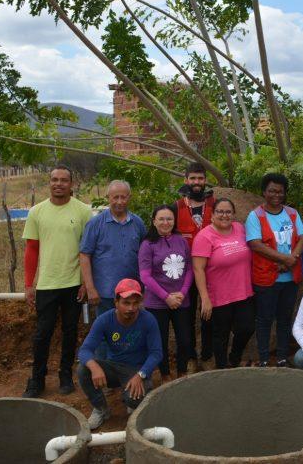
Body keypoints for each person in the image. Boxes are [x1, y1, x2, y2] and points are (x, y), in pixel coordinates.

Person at [22, 165, 92, 398]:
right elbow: (32, 250)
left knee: (71, 332)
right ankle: (37, 380)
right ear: (49, 182)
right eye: (54, 179)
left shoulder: (83, 211)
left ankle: (65, 376)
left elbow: (89, 250)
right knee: (43, 333)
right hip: (47, 284)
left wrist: (85, 282)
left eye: (64, 180)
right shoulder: (37, 212)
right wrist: (28, 284)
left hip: (74, 283)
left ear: (71, 184)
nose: (59, 184)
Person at [77, 279, 162, 429]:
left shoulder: (148, 320)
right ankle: (101, 409)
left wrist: (141, 374)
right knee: (84, 369)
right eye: (126, 303)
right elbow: (84, 350)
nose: (131, 308)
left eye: (135, 303)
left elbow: (156, 353)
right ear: (116, 302)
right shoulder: (104, 320)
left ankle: (131, 402)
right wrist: (95, 367)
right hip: (113, 367)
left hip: (136, 370)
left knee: (134, 400)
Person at [79, 180, 146, 359]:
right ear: (108, 198)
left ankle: (128, 370)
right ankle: (104, 373)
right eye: (115, 197)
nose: (119, 201)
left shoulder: (138, 223)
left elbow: (145, 255)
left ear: (129, 198)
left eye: (123, 197)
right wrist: (90, 287)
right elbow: (85, 255)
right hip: (105, 293)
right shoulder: (96, 224)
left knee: (131, 334)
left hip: (132, 293)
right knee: (104, 334)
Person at [246, 173, 303, 367]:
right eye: (272, 190)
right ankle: (263, 358)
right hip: (266, 279)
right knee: (264, 320)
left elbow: (302, 238)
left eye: (280, 191)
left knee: (284, 318)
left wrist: (292, 259)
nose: (276, 194)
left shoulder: (292, 213)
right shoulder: (255, 216)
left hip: (289, 278)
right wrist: (284, 258)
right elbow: (255, 244)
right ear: (264, 192)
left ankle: (281, 357)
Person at [192, 198, 255, 369]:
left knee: (247, 328)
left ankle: (234, 358)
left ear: (233, 214)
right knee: (220, 335)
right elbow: (198, 269)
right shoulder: (204, 237)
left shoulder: (240, 229)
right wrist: (205, 298)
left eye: (228, 212)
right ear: (212, 215)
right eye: (220, 211)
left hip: (244, 293)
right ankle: (221, 368)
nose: (224, 215)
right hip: (219, 297)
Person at [138, 205, 193, 381]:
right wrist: (166, 297)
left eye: (169, 218)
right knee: (159, 341)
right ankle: (165, 375)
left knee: (184, 339)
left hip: (181, 300)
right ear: (153, 221)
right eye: (161, 219)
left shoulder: (181, 241)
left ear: (174, 221)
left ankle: (182, 372)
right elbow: (145, 276)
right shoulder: (147, 244)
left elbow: (190, 269)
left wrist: (182, 293)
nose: (165, 222)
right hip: (157, 302)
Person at [173, 162, 214, 374]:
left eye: (200, 178)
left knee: (208, 314)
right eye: (193, 178)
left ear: (205, 180)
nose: (197, 183)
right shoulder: (177, 206)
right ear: (185, 179)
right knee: (186, 316)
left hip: (210, 271)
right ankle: (190, 357)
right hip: (185, 273)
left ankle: (207, 355)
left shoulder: (214, 204)